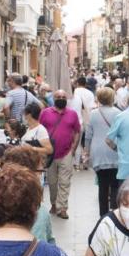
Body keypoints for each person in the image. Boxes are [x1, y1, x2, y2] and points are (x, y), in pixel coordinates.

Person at [0, 147, 55, 244]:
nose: (40, 176)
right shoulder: (38, 212)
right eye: (40, 172)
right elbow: (46, 244)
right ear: (28, 175)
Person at [39, 89, 82, 220]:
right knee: (52, 182)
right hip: (50, 154)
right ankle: (53, 203)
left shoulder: (72, 114)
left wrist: (73, 148)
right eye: (58, 96)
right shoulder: (45, 113)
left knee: (65, 182)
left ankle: (62, 208)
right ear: (54, 98)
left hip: (66, 152)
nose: (61, 98)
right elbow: (39, 131)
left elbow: (77, 131)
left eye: (64, 96)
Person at [85, 86, 122, 216]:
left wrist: (86, 152)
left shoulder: (93, 114)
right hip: (114, 150)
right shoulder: (118, 113)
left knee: (102, 186)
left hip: (98, 152)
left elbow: (88, 135)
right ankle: (115, 213)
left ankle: (103, 215)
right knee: (116, 185)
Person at [70, 77, 98, 168]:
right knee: (87, 141)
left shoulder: (75, 92)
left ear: (77, 83)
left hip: (77, 119)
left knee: (76, 142)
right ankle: (86, 161)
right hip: (88, 119)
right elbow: (92, 106)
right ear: (85, 84)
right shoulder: (90, 93)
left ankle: (76, 162)